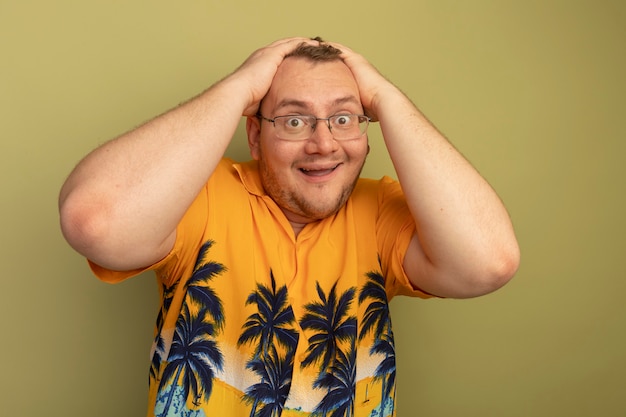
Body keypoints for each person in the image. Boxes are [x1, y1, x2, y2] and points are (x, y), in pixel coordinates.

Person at [59, 37, 519, 417]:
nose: (323, 144)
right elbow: (94, 222)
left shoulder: (380, 212)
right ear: (255, 137)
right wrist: (239, 87)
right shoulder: (201, 195)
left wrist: (387, 98)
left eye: (343, 118)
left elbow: (489, 263)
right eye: (295, 120)